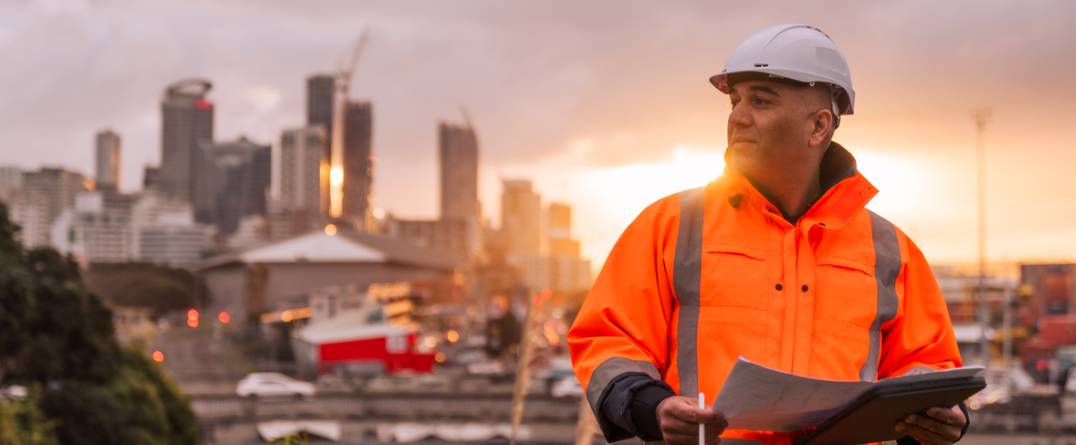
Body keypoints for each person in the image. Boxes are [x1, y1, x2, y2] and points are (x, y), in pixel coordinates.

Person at [567, 24, 970, 445]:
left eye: (760, 101)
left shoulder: (889, 250)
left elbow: (928, 366)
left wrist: (946, 415)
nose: (737, 117)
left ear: (818, 126)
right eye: (735, 100)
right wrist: (652, 407)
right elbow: (608, 340)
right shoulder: (669, 225)